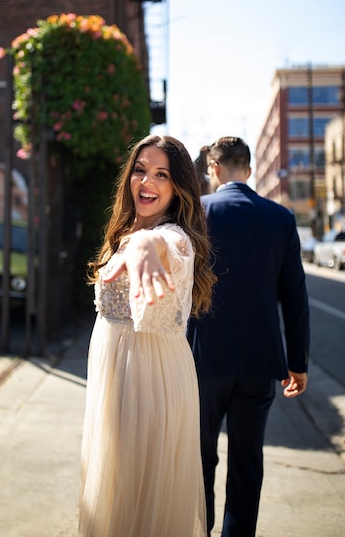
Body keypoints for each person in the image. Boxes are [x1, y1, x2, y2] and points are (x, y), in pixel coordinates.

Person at [79, 135, 216, 537]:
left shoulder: (176, 239)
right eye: (140, 170)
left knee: (141, 505)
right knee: (114, 496)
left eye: (161, 174)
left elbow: (160, 244)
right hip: (114, 381)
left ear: (178, 188)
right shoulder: (122, 230)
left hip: (151, 384)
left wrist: (144, 245)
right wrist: (134, 239)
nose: (147, 182)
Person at [187, 136, 310, 537]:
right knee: (247, 462)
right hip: (260, 361)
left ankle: (198, 530)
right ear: (250, 170)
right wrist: (298, 362)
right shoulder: (280, 218)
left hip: (203, 360)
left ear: (214, 169)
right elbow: (295, 298)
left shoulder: (197, 213)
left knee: (200, 460)